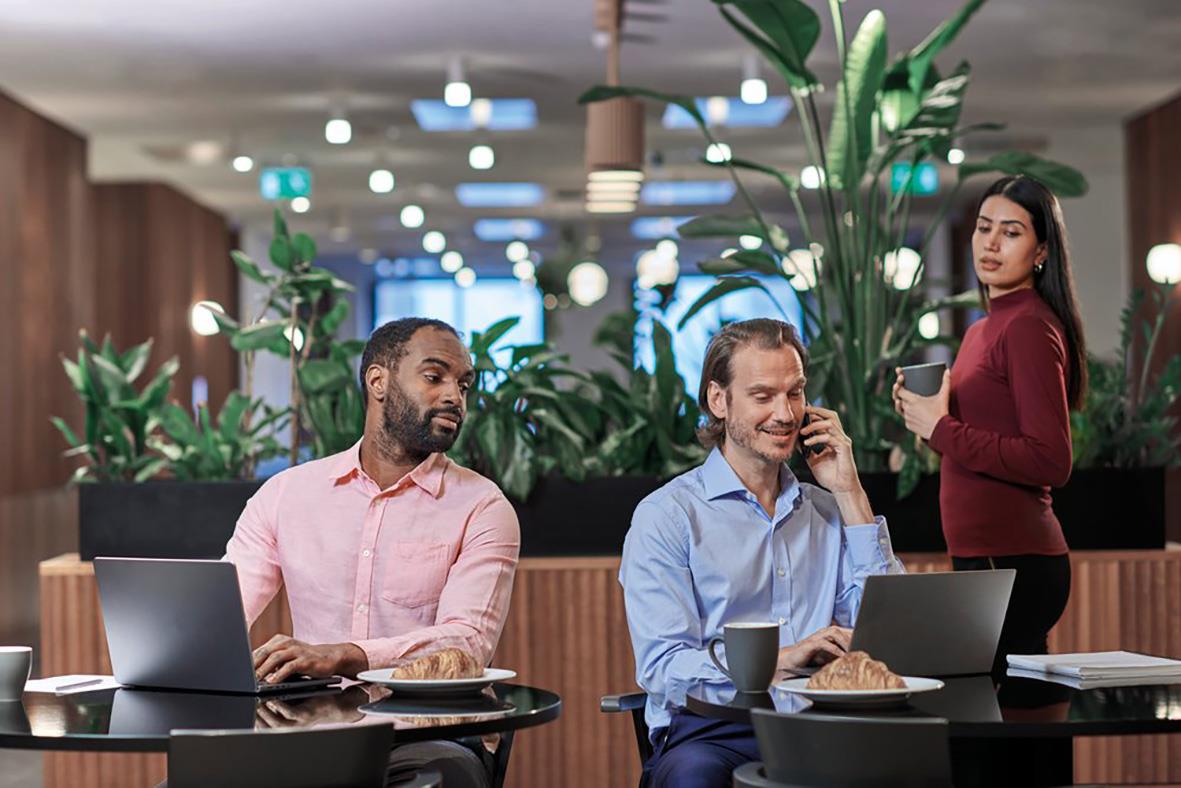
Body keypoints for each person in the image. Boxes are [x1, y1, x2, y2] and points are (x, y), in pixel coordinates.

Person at [225, 317, 521, 787]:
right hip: (307, 729)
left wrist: (344, 655)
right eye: (434, 376)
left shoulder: (483, 507)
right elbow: (220, 613)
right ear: (378, 381)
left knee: (446, 778)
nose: (454, 397)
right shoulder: (286, 495)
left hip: (428, 733)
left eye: (463, 384)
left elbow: (467, 641)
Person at [621, 318, 905, 788]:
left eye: (795, 393)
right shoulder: (667, 517)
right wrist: (780, 660)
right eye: (763, 396)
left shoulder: (829, 511)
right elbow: (663, 667)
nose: (786, 413)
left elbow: (891, 632)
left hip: (828, 721)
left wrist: (850, 492)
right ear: (719, 399)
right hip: (715, 729)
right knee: (693, 779)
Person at [893, 175, 1086, 671]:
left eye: (1012, 232)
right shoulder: (983, 327)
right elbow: (975, 445)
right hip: (983, 557)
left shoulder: (1027, 326)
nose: (991, 242)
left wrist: (941, 429)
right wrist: (924, 415)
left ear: (1041, 250)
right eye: (983, 227)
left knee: (1011, 727)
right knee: (1005, 725)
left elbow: (1050, 459)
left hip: (1015, 560)